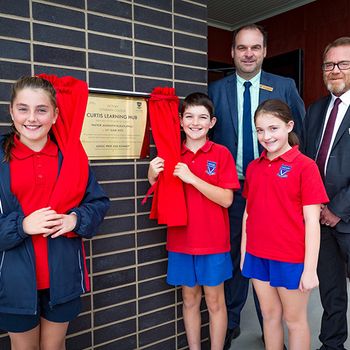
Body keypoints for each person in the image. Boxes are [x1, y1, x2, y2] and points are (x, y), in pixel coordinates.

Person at [208, 23, 305, 349]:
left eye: (255, 47)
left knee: (274, 259)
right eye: (241, 48)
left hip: (275, 191)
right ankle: (232, 322)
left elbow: (299, 136)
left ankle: (270, 327)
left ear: (265, 51)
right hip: (233, 191)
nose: (248, 54)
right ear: (232, 52)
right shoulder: (216, 90)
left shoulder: (284, 85)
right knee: (237, 258)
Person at [0, 76, 109, 350]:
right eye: (23, 108)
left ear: (55, 114)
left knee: (55, 346)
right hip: (13, 279)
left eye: (41, 109)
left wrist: (76, 219)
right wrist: (22, 225)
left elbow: (98, 202)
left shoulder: (70, 155)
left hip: (62, 275)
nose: (32, 118)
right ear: (11, 111)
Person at [148, 92, 240, 350]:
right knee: (189, 299)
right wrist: (152, 176)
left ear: (212, 122)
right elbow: (161, 195)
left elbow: (226, 199)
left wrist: (193, 178)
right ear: (180, 121)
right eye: (189, 116)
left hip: (213, 242)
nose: (195, 122)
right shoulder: (171, 152)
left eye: (202, 117)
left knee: (215, 302)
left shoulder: (221, 154)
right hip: (180, 241)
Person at [241, 99, 328, 349]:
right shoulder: (254, 168)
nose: (266, 136)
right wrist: (244, 252)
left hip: (291, 258)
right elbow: (249, 213)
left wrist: (310, 269)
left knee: (294, 320)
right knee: (269, 316)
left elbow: (313, 221)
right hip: (258, 255)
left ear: (289, 126)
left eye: (273, 128)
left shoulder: (305, 167)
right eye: (260, 130)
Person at [303, 37, 350, 350]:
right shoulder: (317, 109)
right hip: (318, 217)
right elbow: (307, 160)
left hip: (344, 215)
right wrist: (314, 206)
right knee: (332, 290)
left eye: (343, 64)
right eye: (329, 65)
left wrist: (337, 209)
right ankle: (332, 344)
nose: (335, 70)